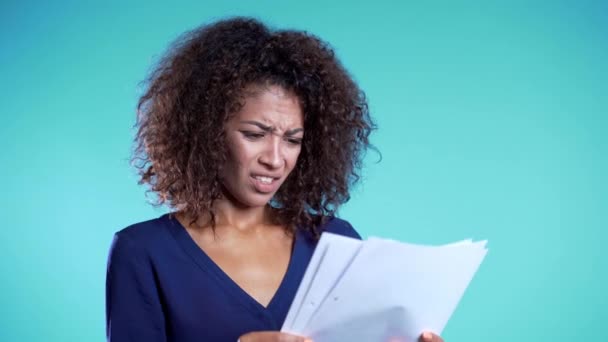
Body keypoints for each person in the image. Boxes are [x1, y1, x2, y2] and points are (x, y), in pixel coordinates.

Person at [105, 17, 444, 342]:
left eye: (293, 140)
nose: (275, 158)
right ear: (206, 131)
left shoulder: (334, 241)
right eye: (255, 134)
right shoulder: (144, 252)